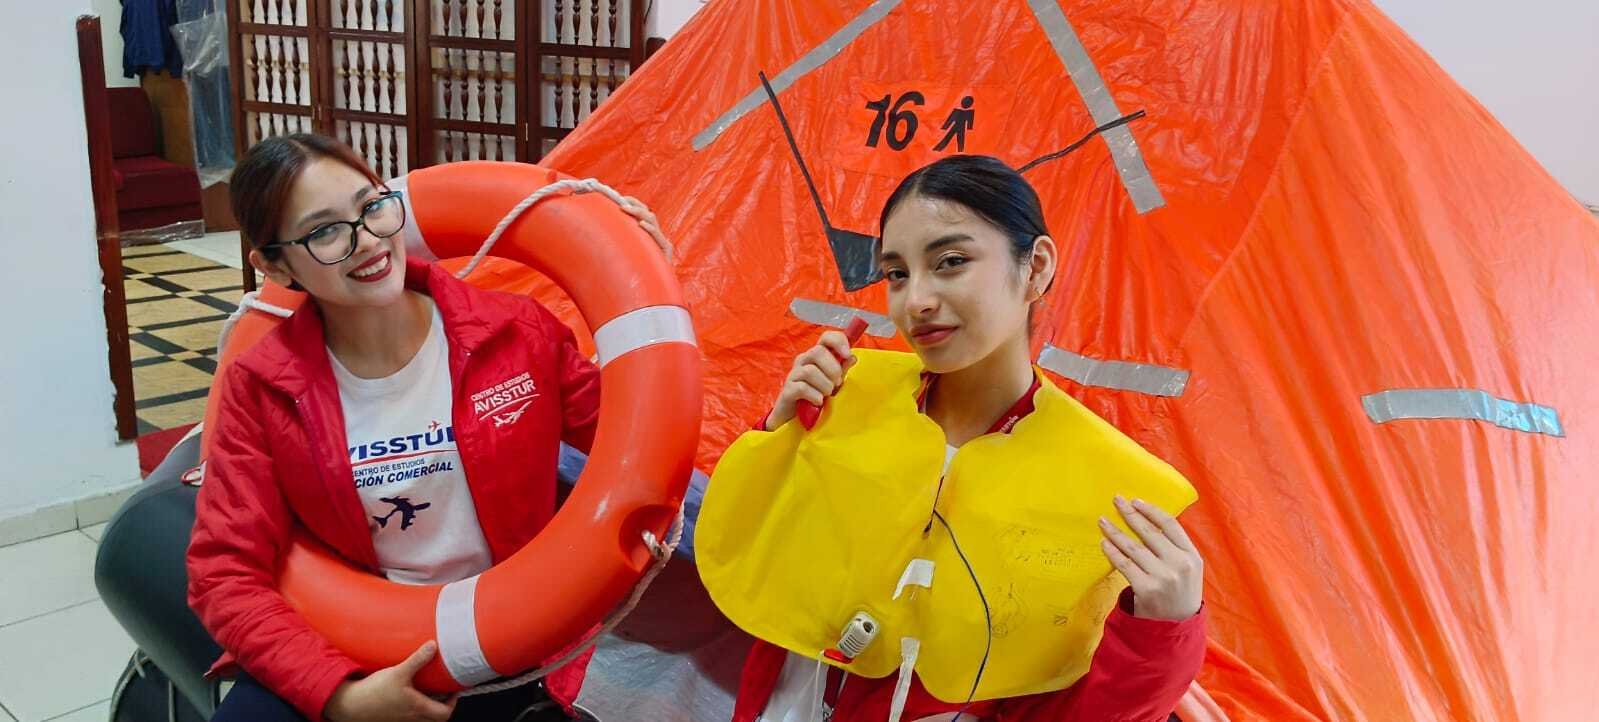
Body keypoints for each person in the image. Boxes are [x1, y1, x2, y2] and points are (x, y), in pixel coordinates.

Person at [186, 133, 669, 722]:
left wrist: (645, 274)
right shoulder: (261, 387)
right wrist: (340, 697)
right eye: (325, 231)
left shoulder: (517, 334)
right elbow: (224, 573)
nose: (367, 242)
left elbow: (641, 441)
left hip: (508, 638)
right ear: (275, 265)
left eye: (370, 206)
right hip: (351, 646)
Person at [731, 155, 1207, 722]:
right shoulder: (842, 403)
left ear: (1036, 267)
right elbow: (751, 571)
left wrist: (1164, 628)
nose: (916, 302)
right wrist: (775, 442)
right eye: (897, 274)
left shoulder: (1103, 487)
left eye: (950, 262)